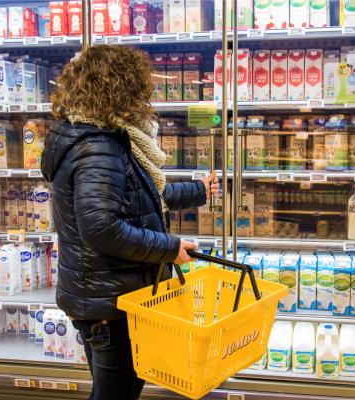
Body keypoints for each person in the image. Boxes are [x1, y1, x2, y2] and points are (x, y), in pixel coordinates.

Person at [41, 45, 219, 400]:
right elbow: (102, 227)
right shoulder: (98, 146)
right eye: (139, 88)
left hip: (104, 295)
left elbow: (135, 197)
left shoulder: (91, 135)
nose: (145, 97)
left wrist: (197, 190)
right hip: (109, 302)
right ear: (119, 89)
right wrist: (169, 249)